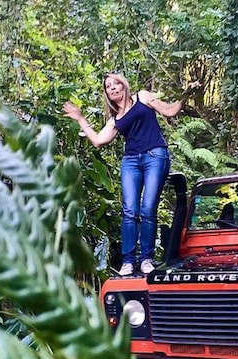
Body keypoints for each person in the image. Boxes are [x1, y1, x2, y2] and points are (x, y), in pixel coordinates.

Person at [62, 72, 186, 276]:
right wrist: (80, 119)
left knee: (148, 209)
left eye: (115, 83)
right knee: (129, 211)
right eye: (108, 86)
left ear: (124, 85)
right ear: (107, 95)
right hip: (130, 161)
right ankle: (128, 262)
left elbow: (170, 111)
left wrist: (186, 95)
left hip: (155, 155)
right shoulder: (115, 119)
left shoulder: (143, 97)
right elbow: (98, 140)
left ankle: (146, 259)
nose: (112, 88)